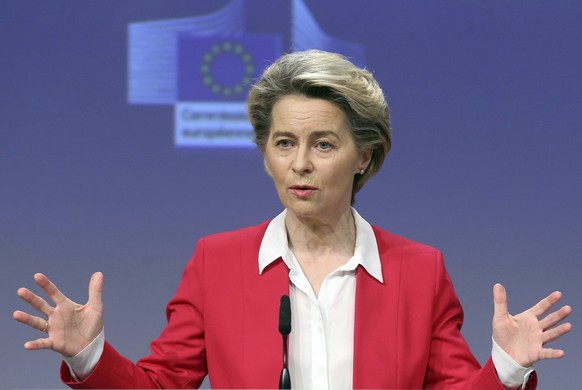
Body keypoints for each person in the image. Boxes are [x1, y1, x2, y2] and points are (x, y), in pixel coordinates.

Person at [14, 50, 572, 389]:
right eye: (284, 143)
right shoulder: (218, 261)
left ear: (365, 157)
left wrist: (505, 370)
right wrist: (90, 356)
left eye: (323, 143)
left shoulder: (419, 271)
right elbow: (162, 384)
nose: (299, 163)